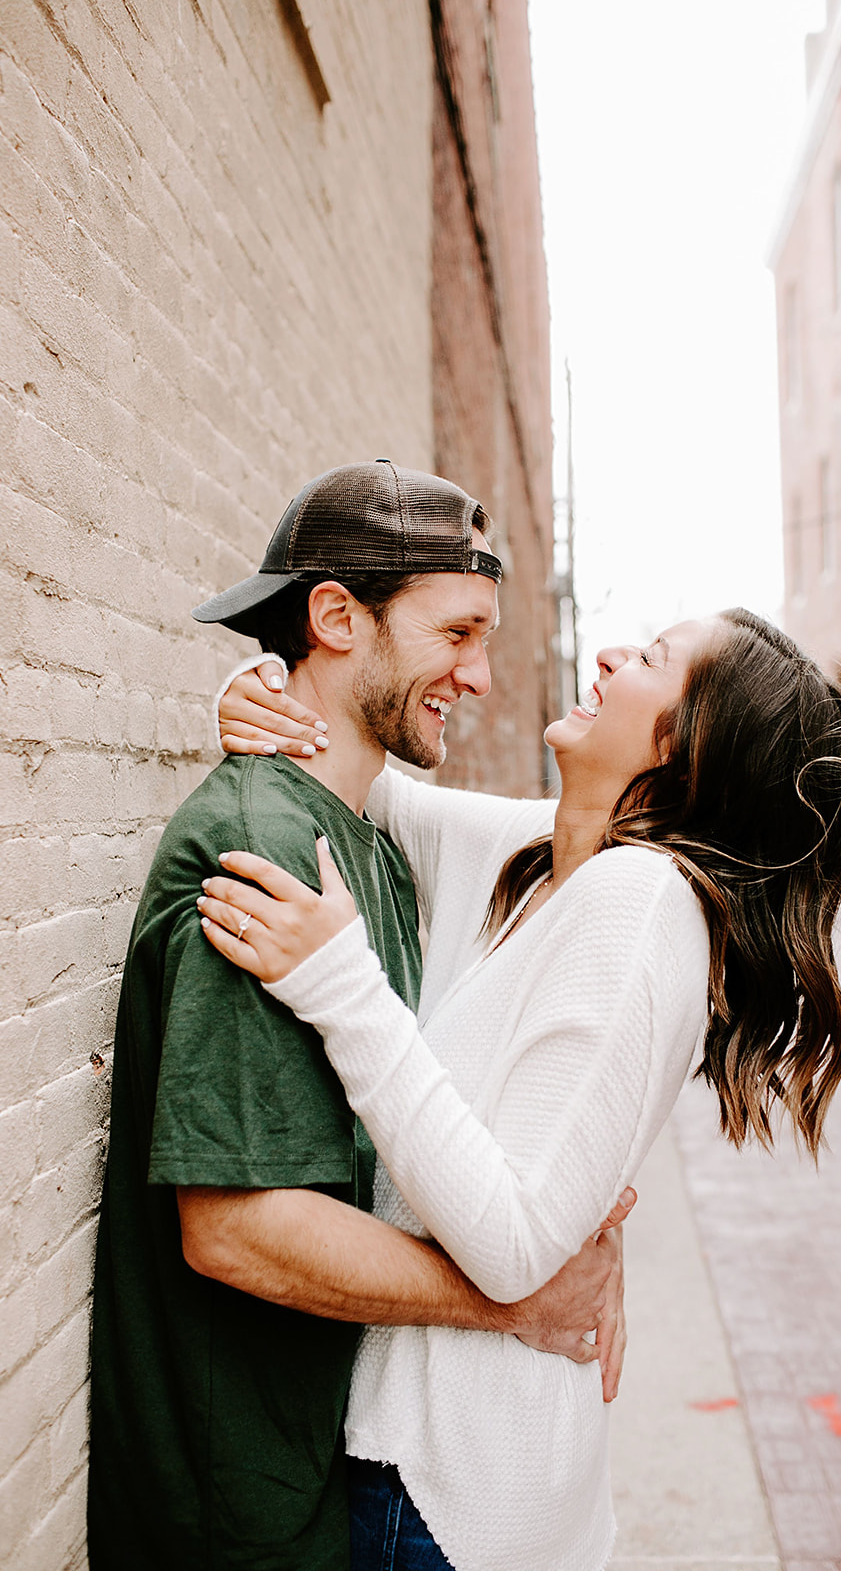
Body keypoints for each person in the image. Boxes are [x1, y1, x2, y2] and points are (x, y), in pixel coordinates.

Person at [200, 603, 841, 1571]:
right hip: (449, 1468)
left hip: (443, 1487)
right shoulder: (537, 854)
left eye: (648, 657)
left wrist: (341, 983)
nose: (605, 655)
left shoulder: (636, 907)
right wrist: (253, 695)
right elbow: (355, 773)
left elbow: (512, 1248)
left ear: (685, 746)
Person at [87, 462, 626, 1571]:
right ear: (335, 616)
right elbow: (233, 1225)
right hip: (236, 1512)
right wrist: (509, 1299)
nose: (477, 675)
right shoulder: (263, 853)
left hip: (321, 1474)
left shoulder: (370, 836)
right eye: (456, 633)